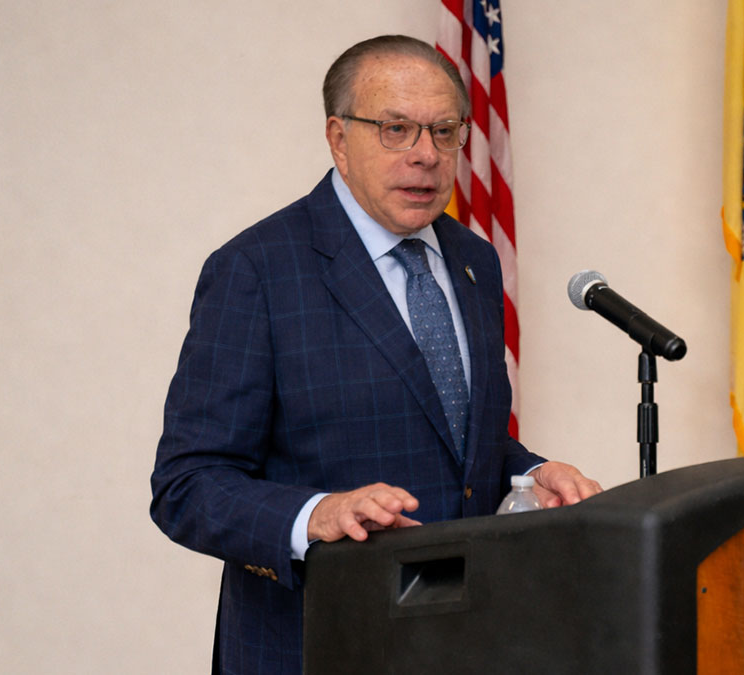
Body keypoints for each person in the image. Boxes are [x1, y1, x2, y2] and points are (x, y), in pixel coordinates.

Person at [150, 35, 602, 674]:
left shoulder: (474, 261)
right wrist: (317, 515)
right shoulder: (256, 270)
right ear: (338, 137)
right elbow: (187, 486)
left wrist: (530, 475)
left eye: (445, 131)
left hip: (466, 645)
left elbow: (465, 446)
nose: (425, 155)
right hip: (316, 644)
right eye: (396, 129)